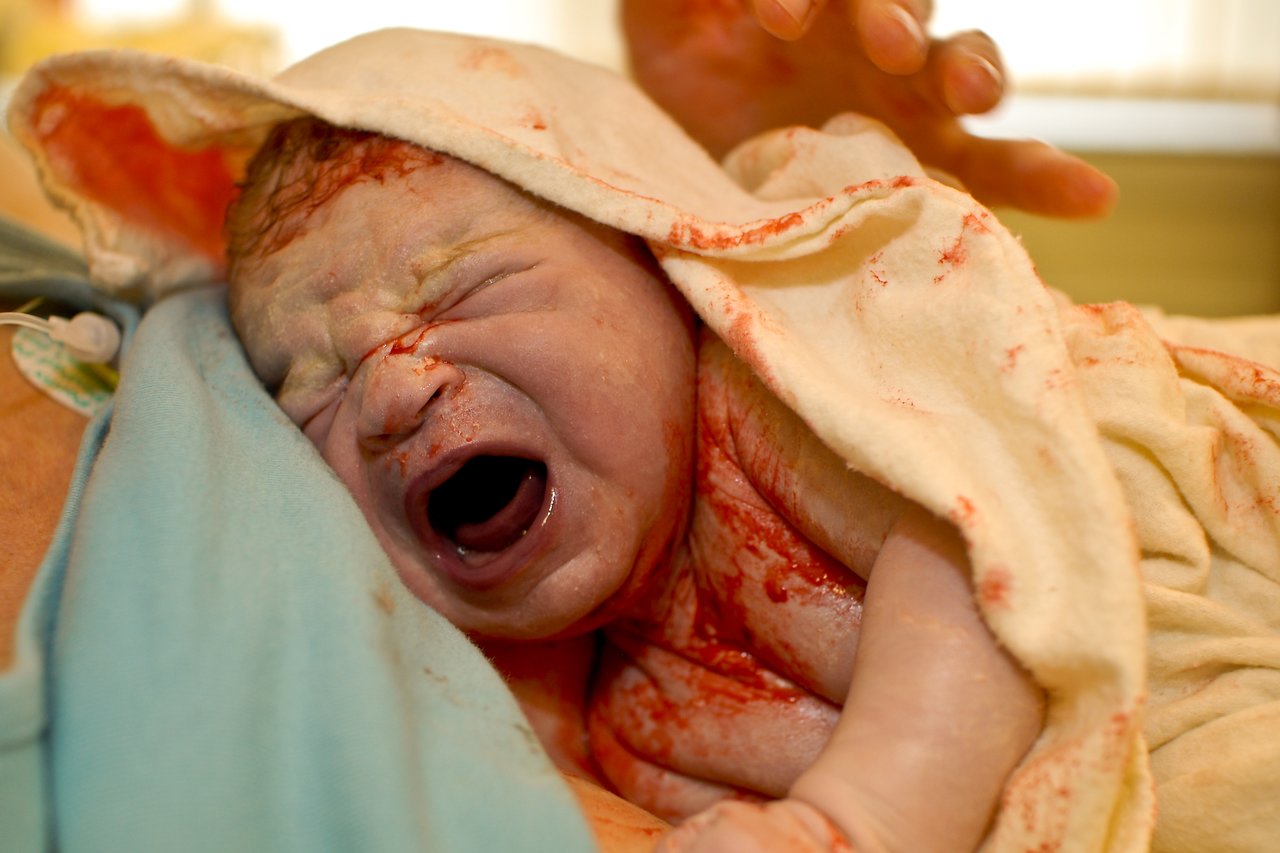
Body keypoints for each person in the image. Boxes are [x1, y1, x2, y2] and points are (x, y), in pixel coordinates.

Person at [221, 114, 1045, 852]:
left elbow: (984, 539)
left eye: (462, 291)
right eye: (313, 392)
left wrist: (856, 823)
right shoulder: (572, 711)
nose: (390, 396)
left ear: (658, 261)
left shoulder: (759, 415)